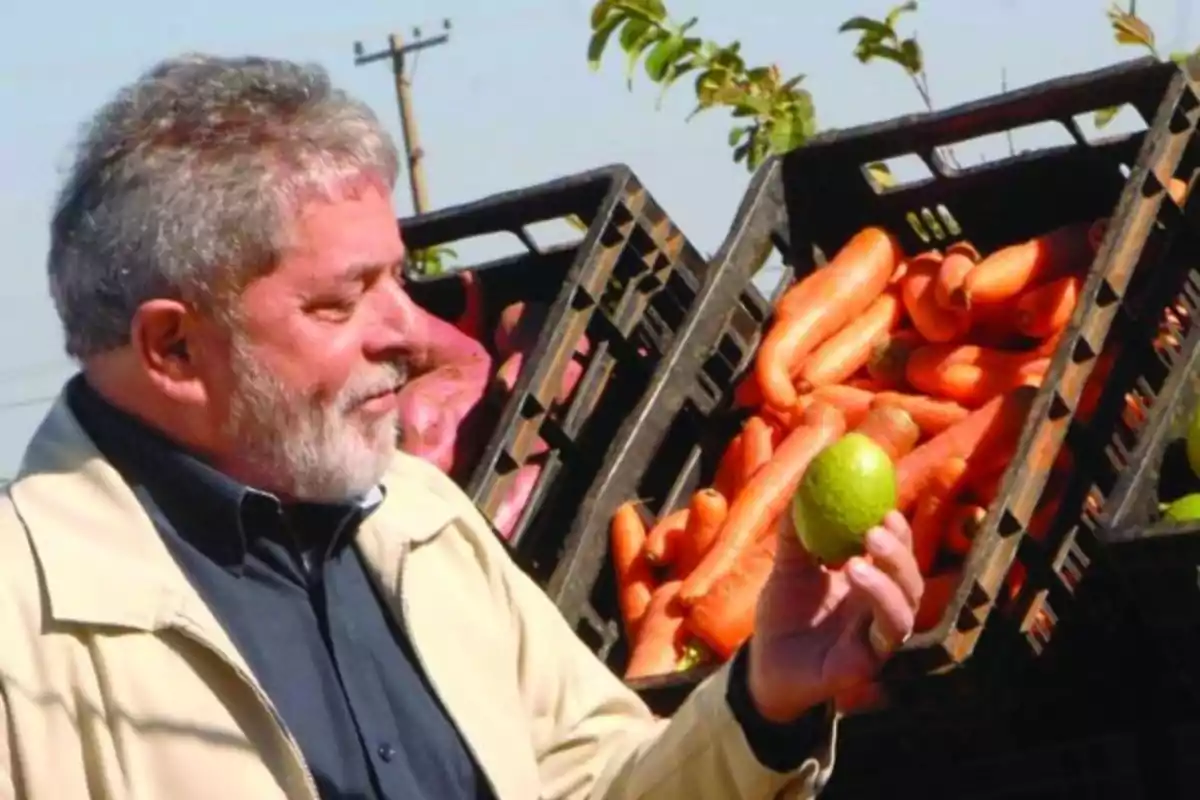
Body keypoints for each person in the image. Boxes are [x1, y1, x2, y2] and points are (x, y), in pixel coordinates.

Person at [0, 54, 924, 800]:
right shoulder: (24, 629)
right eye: (339, 303)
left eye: (395, 278)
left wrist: (761, 708)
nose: (410, 334)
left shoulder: (417, 518)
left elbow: (593, 784)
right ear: (172, 348)